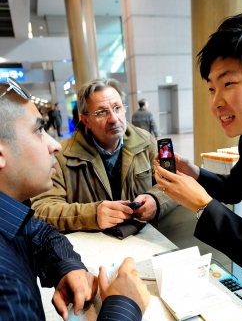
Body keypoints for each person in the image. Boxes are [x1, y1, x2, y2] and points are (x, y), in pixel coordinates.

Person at [0, 78, 150, 321]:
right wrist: (121, 310)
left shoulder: (146, 141)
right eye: (39, 130)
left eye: (118, 108)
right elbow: (44, 209)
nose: (53, 143)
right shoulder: (5, 294)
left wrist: (67, 266)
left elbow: (36, 231)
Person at [155, 11, 242, 311]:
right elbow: (236, 187)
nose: (216, 102)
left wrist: (203, 206)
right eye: (211, 88)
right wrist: (194, 174)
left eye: (229, 83)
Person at [31, 78, 177, 232]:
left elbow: (174, 184)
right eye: (101, 112)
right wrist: (92, 215)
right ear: (86, 120)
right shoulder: (62, 156)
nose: (114, 119)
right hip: (93, 248)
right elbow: (41, 208)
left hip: (145, 238)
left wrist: (156, 200)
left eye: (117, 108)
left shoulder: (145, 142)